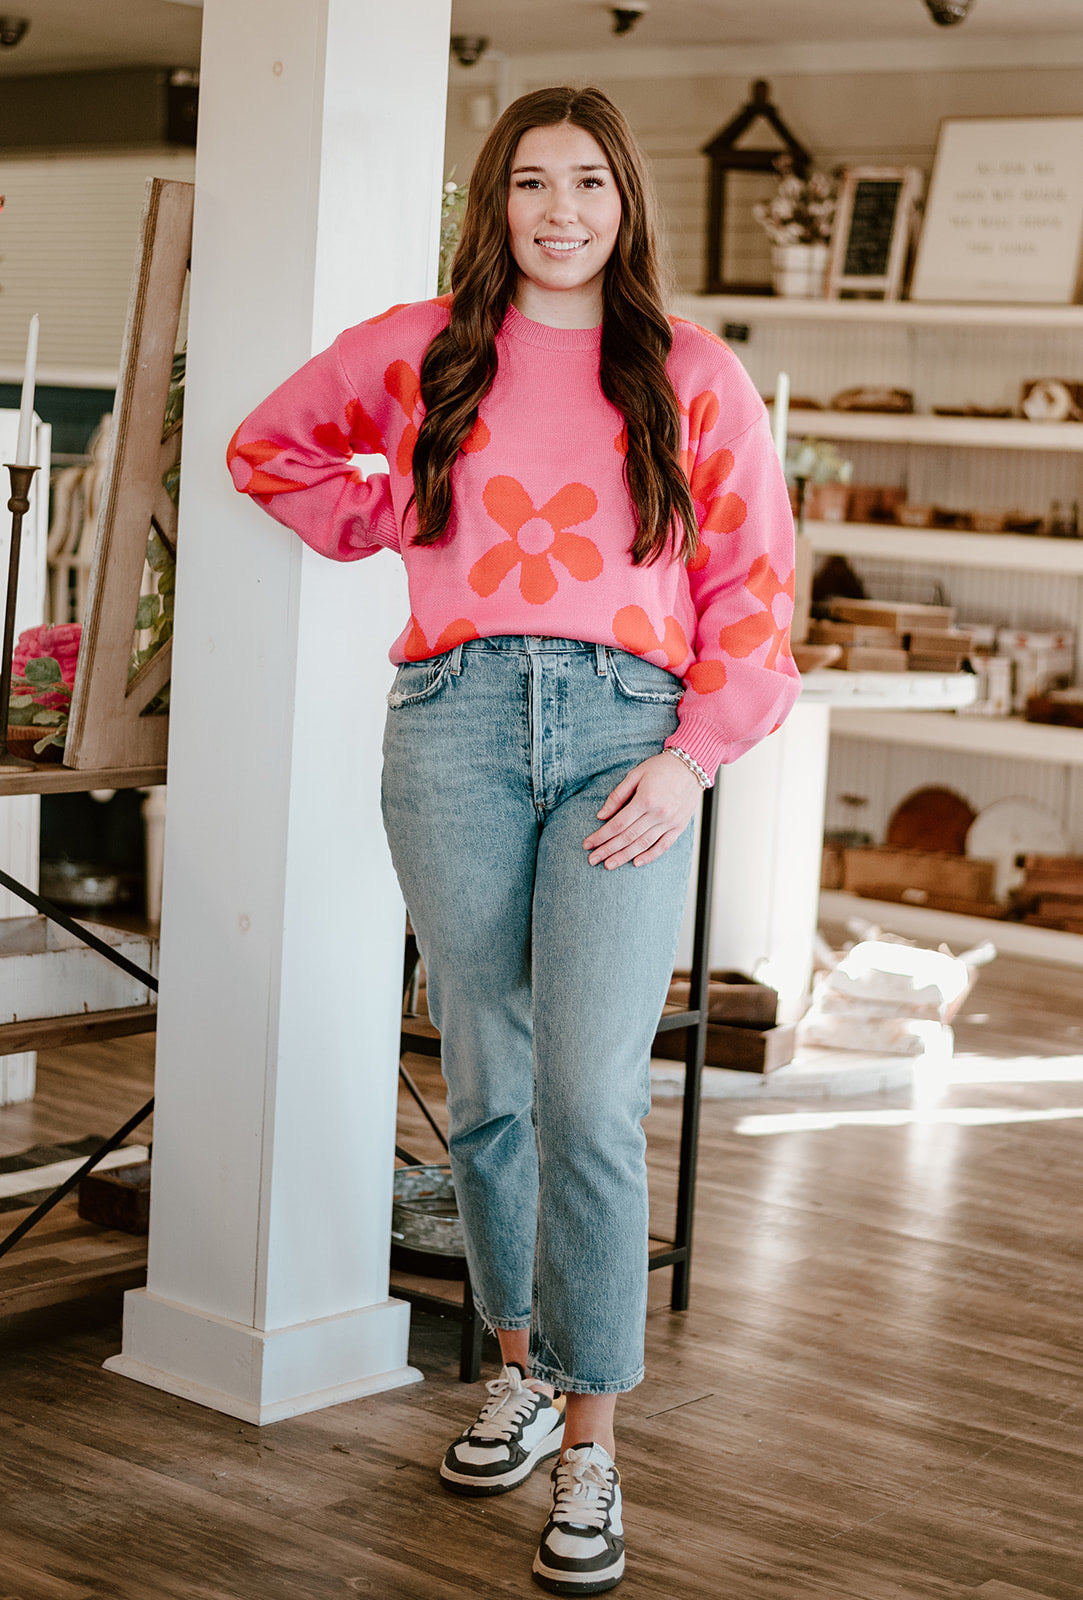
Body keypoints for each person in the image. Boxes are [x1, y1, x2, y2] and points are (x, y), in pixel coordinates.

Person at [228, 84, 799, 1596]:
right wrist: (392, 512)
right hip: (455, 724)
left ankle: (597, 1450)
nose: (561, 211)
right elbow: (269, 452)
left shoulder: (692, 373)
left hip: (630, 735)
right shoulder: (420, 353)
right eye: (532, 183)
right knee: (482, 1077)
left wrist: (691, 763)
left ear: (626, 205)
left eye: (589, 184)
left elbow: (756, 599)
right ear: (496, 206)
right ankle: (523, 1368)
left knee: (587, 1099)